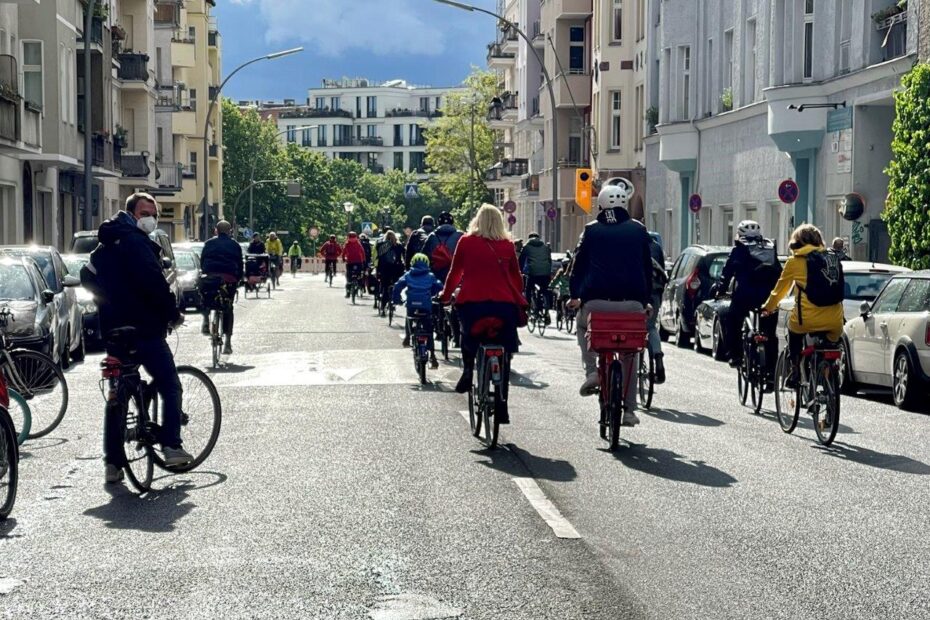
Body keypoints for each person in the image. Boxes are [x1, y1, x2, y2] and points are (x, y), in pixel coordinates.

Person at [83, 192, 191, 481]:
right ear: (131, 213)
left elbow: (86, 276)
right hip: (144, 329)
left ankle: (113, 465)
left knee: (118, 394)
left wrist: (108, 302)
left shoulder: (105, 244)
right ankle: (171, 446)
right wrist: (173, 314)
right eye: (145, 212)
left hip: (115, 331)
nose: (151, 218)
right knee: (170, 384)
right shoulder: (137, 243)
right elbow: (155, 285)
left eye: (153, 213)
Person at [568, 182, 652, 427]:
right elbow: (647, 268)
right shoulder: (639, 230)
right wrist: (646, 301)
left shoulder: (591, 231)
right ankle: (628, 410)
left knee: (583, 327)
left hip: (596, 304)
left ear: (601, 205)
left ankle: (592, 372)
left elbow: (578, 267)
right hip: (632, 304)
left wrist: (575, 296)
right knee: (630, 353)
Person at [440, 204, 526, 424]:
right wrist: (517, 296)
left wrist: (445, 295)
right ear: (499, 222)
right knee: (504, 353)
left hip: (473, 303)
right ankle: (502, 407)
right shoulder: (506, 246)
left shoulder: (466, 242)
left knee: (469, 337)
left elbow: (455, 272)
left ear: (477, 221)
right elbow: (516, 278)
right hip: (503, 305)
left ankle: (468, 371)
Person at [762, 224, 845, 388]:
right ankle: (827, 377)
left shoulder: (795, 262)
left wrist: (767, 308)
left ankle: (795, 371)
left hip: (806, 320)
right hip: (835, 322)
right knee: (829, 346)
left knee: (793, 331)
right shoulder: (832, 259)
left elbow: (779, 292)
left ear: (797, 241)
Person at [718, 221, 783, 385]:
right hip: (769, 298)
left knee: (731, 319)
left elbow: (727, 273)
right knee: (769, 334)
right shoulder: (769, 247)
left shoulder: (739, 249)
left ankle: (735, 356)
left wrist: (719, 289)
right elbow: (779, 271)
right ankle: (770, 373)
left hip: (745, 296)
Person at [200, 220, 244, 355]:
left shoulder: (208, 243)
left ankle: (206, 319)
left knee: (205, 296)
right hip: (228, 279)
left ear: (216, 231)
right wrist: (239, 279)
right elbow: (240, 264)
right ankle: (228, 343)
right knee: (228, 308)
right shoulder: (235, 245)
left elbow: (202, 261)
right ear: (230, 231)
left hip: (210, 277)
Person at [393, 253, 443, 370]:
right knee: (429, 330)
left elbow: (397, 286)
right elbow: (439, 286)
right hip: (426, 306)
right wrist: (435, 295)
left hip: (412, 305)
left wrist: (397, 299)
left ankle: (407, 337)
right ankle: (433, 356)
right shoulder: (430, 276)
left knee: (409, 317)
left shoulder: (408, 274)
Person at [647, 232, 668, 384]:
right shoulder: (656, 247)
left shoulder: (632, 246)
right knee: (651, 327)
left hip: (636, 293)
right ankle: (658, 356)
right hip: (655, 291)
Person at [423, 211, 464, 285]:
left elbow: (424, 257)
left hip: (435, 277)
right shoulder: (460, 236)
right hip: (456, 277)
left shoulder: (432, 237)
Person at [520, 232, 553, 321]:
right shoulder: (545, 247)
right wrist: (549, 272)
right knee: (544, 289)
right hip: (545, 272)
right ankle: (546, 311)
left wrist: (520, 270)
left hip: (533, 272)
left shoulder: (526, 247)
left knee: (528, 288)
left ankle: (527, 307)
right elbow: (549, 260)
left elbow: (522, 260)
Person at [375, 230, 405, 315]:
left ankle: (383, 307)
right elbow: (404, 256)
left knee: (385, 288)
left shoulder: (380, 245)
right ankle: (395, 300)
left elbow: (378, 257)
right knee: (396, 286)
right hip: (396, 270)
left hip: (384, 269)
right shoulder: (399, 245)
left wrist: (378, 270)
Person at [342, 231, 367, 299]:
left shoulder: (347, 244)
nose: (352, 239)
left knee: (349, 277)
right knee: (359, 275)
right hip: (358, 262)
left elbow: (343, 252)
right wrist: (364, 260)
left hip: (350, 262)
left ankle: (348, 292)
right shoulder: (358, 244)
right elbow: (362, 252)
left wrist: (343, 258)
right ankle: (360, 286)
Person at [550, 258, 571, 326]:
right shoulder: (572, 272)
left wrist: (550, 286)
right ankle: (571, 314)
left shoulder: (561, 272)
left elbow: (555, 281)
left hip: (562, 292)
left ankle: (559, 313)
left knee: (559, 300)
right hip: (571, 293)